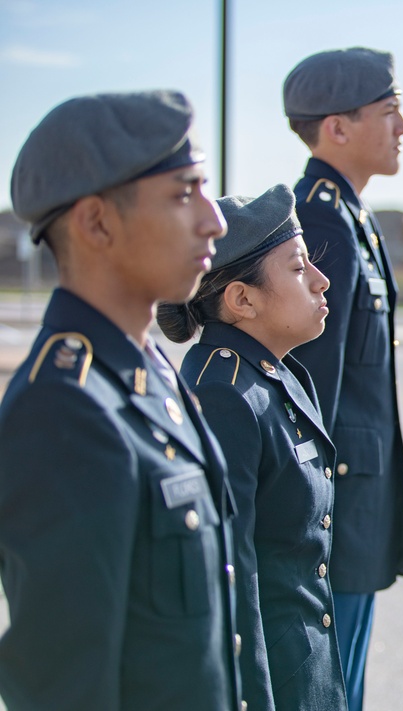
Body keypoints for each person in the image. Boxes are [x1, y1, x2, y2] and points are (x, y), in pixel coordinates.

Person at [0, 90, 241, 710]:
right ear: (97, 223)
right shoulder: (66, 411)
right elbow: (63, 689)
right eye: (185, 193)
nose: (213, 219)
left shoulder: (150, 371)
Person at [157, 184, 348, 711]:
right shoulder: (225, 395)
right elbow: (232, 584)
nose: (321, 280)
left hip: (308, 671)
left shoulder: (275, 377)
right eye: (297, 268)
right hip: (274, 686)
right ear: (241, 299)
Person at [282, 47, 403, 709]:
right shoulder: (320, 224)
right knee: (327, 690)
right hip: (333, 517)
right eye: (390, 111)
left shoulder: (347, 217)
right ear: (337, 128)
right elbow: (307, 396)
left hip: (356, 510)